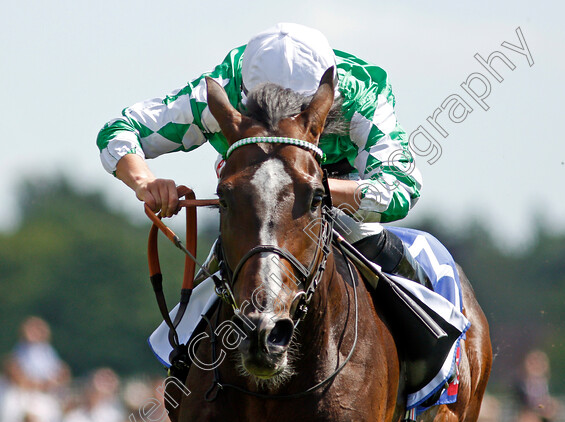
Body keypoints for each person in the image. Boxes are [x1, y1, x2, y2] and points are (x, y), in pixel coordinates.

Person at [97, 22, 427, 284]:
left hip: (338, 194)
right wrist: (145, 182)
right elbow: (120, 130)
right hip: (249, 204)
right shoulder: (218, 89)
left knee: (367, 239)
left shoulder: (363, 97)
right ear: (244, 93)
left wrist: (312, 192)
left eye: (294, 114)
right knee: (196, 312)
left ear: (322, 102)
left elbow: (401, 187)